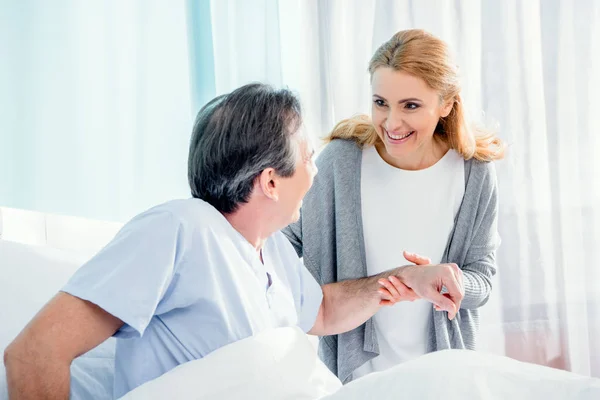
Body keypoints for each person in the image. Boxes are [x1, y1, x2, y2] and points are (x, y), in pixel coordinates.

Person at [3, 83, 464, 399]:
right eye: (307, 158)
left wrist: (406, 280)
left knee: (459, 383)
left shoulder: (271, 248)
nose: (315, 171)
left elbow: (320, 311)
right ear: (270, 181)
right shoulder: (180, 228)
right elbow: (35, 352)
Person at [282, 28, 505, 383]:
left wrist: (451, 280)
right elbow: (278, 243)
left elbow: (482, 279)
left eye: (411, 106)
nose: (392, 123)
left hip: (444, 376)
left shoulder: (473, 173)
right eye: (380, 103)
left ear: (446, 104)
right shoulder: (342, 163)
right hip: (357, 378)